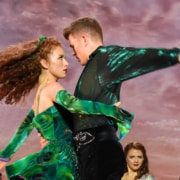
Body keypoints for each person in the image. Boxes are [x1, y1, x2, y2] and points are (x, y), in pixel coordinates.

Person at [0, 36, 135, 179]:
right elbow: (75, 105)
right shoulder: (53, 88)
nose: (66, 63)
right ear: (44, 63)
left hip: (51, 159)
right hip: (64, 161)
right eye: (60, 58)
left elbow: (20, 135)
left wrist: (2, 160)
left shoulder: (37, 99)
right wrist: (111, 110)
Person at [63, 17, 180, 180]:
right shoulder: (93, 68)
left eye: (72, 46)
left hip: (102, 157)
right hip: (88, 158)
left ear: (84, 39)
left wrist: (175, 55)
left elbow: (139, 58)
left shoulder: (105, 58)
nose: (73, 52)